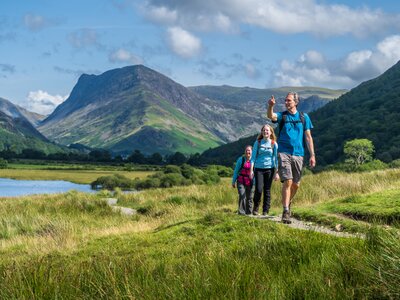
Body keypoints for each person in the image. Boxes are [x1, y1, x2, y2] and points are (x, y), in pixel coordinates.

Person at [267, 92, 316, 224]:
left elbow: (308, 137)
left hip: (299, 154)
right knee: (288, 181)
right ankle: (286, 211)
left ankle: (288, 201)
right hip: (284, 152)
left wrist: (312, 155)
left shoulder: (304, 117)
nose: (286, 102)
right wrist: (271, 106)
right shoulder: (282, 115)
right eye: (285, 100)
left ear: (296, 102)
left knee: (296, 184)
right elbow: (270, 116)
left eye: (289, 100)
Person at [250, 124, 279, 216]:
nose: (265, 132)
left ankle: (265, 211)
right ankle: (256, 208)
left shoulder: (274, 144)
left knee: (267, 190)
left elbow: (275, 159)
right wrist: (251, 170)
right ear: (262, 132)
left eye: (267, 130)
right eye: (264, 130)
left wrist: (277, 172)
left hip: (270, 169)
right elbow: (253, 157)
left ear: (271, 132)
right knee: (258, 189)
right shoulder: (257, 143)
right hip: (258, 169)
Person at [232, 145, 255, 215]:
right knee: (242, 195)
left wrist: (255, 182)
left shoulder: (254, 160)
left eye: (249, 150)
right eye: (246, 150)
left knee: (250, 197)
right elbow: (236, 171)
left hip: (251, 181)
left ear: (252, 152)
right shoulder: (240, 159)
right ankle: (242, 212)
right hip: (241, 180)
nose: (248, 152)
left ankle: (249, 212)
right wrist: (233, 181)